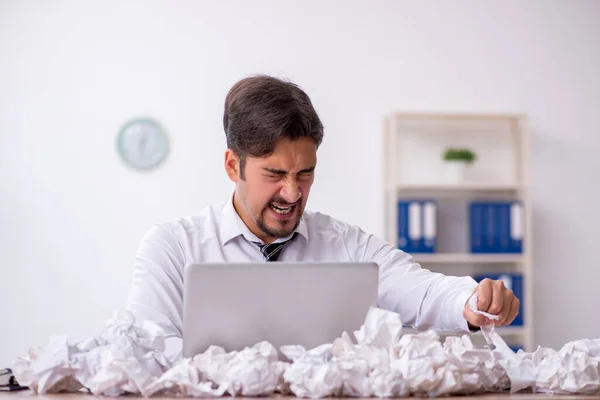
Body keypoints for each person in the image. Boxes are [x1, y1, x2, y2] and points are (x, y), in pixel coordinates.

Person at [125, 75, 520, 362]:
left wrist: (471, 301)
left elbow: (421, 289)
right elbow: (146, 355)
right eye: (275, 174)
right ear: (233, 165)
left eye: (305, 173)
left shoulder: (345, 244)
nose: (293, 193)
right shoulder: (173, 248)